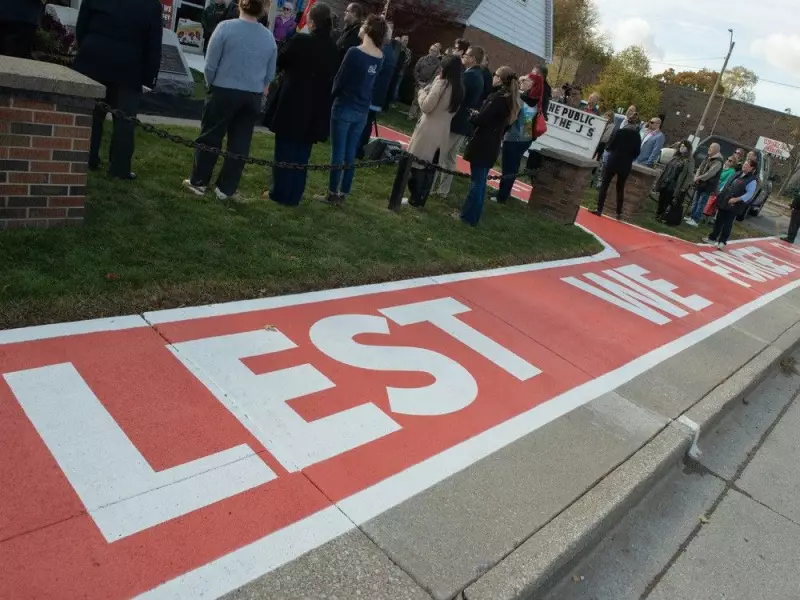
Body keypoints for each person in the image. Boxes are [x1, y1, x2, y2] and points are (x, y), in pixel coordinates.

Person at [183, 0, 277, 201]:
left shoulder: (225, 28)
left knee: (210, 136)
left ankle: (199, 182)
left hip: (223, 90)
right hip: (252, 95)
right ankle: (225, 190)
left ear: (240, 5)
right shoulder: (268, 37)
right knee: (240, 142)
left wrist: (212, 84)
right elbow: (270, 73)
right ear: (262, 10)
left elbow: (210, 65)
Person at [73, 0, 162, 181]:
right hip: (129, 66)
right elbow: (153, 43)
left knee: (92, 115)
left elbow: (82, 25)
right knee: (124, 120)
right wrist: (149, 78)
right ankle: (119, 168)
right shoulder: (151, 4)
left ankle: (87, 158)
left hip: (93, 57)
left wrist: (87, 47)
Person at [262, 2, 338, 206]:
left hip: (293, 101)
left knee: (285, 149)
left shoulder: (301, 41)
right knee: (302, 153)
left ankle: (280, 193)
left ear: (311, 22)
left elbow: (282, 60)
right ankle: (295, 194)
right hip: (315, 106)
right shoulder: (333, 48)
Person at [318, 14, 386, 205]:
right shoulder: (380, 56)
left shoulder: (355, 52)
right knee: (350, 151)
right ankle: (344, 191)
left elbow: (340, 79)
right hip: (362, 109)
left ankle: (332, 192)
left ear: (368, 29)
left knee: (338, 152)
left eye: (364, 24)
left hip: (345, 105)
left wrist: (332, 94)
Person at [461, 65, 520, 226]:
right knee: (480, 181)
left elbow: (483, 119)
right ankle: (471, 215)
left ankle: (469, 217)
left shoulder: (499, 98)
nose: (493, 77)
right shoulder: (509, 100)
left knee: (477, 182)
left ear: (501, 79)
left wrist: (473, 117)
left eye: (495, 75)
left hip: (484, 142)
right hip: (492, 142)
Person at [401, 54, 463, 207]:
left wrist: (422, 93)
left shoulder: (442, 84)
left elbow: (427, 107)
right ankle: (421, 198)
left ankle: (414, 198)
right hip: (443, 130)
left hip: (429, 129)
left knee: (418, 165)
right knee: (431, 167)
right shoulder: (459, 88)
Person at [432, 45, 484, 198]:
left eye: (466, 55)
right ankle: (443, 190)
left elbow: (457, 96)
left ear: (473, 58)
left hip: (456, 122)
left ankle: (428, 186)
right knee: (450, 158)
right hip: (464, 123)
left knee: (440, 155)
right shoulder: (477, 76)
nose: (464, 57)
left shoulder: (469, 76)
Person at [354, 20, 397, 159]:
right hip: (378, 95)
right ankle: (359, 148)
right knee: (366, 124)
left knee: (363, 123)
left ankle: (357, 148)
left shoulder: (382, 52)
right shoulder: (390, 52)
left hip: (372, 93)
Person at [492, 75, 534, 204]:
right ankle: (503, 192)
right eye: (520, 80)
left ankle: (502, 196)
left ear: (531, 85)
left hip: (515, 138)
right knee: (512, 168)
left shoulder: (524, 101)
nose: (520, 82)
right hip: (522, 139)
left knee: (509, 168)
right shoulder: (531, 101)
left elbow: (517, 120)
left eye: (524, 80)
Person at [591, 114, 642, 219]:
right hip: (626, 164)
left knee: (605, 185)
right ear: (636, 124)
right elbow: (637, 152)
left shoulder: (620, 132)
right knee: (620, 187)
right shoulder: (637, 136)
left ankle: (599, 209)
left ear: (628, 121)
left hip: (613, 160)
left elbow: (611, 145)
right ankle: (619, 212)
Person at [704, 158, 759, 249]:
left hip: (735, 204)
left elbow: (749, 194)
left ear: (752, 169)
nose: (744, 166)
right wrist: (720, 193)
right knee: (719, 220)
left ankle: (722, 242)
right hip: (725, 200)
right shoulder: (737, 174)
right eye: (744, 164)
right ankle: (712, 237)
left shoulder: (752, 180)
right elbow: (727, 184)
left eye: (747, 165)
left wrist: (737, 199)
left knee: (728, 223)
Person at [654, 139, 693, 222]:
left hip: (675, 184)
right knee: (661, 197)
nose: (682, 148)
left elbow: (689, 175)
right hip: (666, 180)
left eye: (684, 146)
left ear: (688, 148)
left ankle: (663, 215)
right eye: (681, 146)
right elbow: (667, 168)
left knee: (668, 200)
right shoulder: (675, 157)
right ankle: (658, 213)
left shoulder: (689, 160)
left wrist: (684, 187)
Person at [685, 143, 724, 226]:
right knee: (695, 200)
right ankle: (692, 216)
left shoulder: (718, 161)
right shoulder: (708, 157)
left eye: (711, 148)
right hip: (700, 183)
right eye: (709, 147)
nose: (709, 149)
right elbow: (700, 168)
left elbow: (711, 173)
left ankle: (696, 220)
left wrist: (699, 178)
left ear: (716, 150)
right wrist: (697, 177)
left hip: (708, 186)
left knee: (701, 202)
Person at [408, 43, 441, 120]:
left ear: (437, 53)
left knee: (423, 102)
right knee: (415, 100)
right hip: (419, 83)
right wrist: (419, 81)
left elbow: (435, 76)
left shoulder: (438, 64)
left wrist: (427, 85)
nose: (432, 52)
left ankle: (419, 118)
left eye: (434, 51)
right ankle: (411, 115)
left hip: (428, 86)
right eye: (431, 50)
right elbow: (416, 70)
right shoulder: (422, 59)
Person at [389, 35, 411, 108]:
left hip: (400, 72)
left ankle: (393, 102)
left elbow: (407, 61)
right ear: (401, 40)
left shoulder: (408, 51)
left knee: (396, 87)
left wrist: (400, 65)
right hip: (393, 69)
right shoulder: (396, 48)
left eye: (407, 41)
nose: (405, 42)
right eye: (404, 40)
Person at [781, 174, 800, 243]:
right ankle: (792, 238)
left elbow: (798, 200)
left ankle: (790, 238)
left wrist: (792, 205)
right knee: (797, 225)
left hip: (797, 210)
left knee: (793, 224)